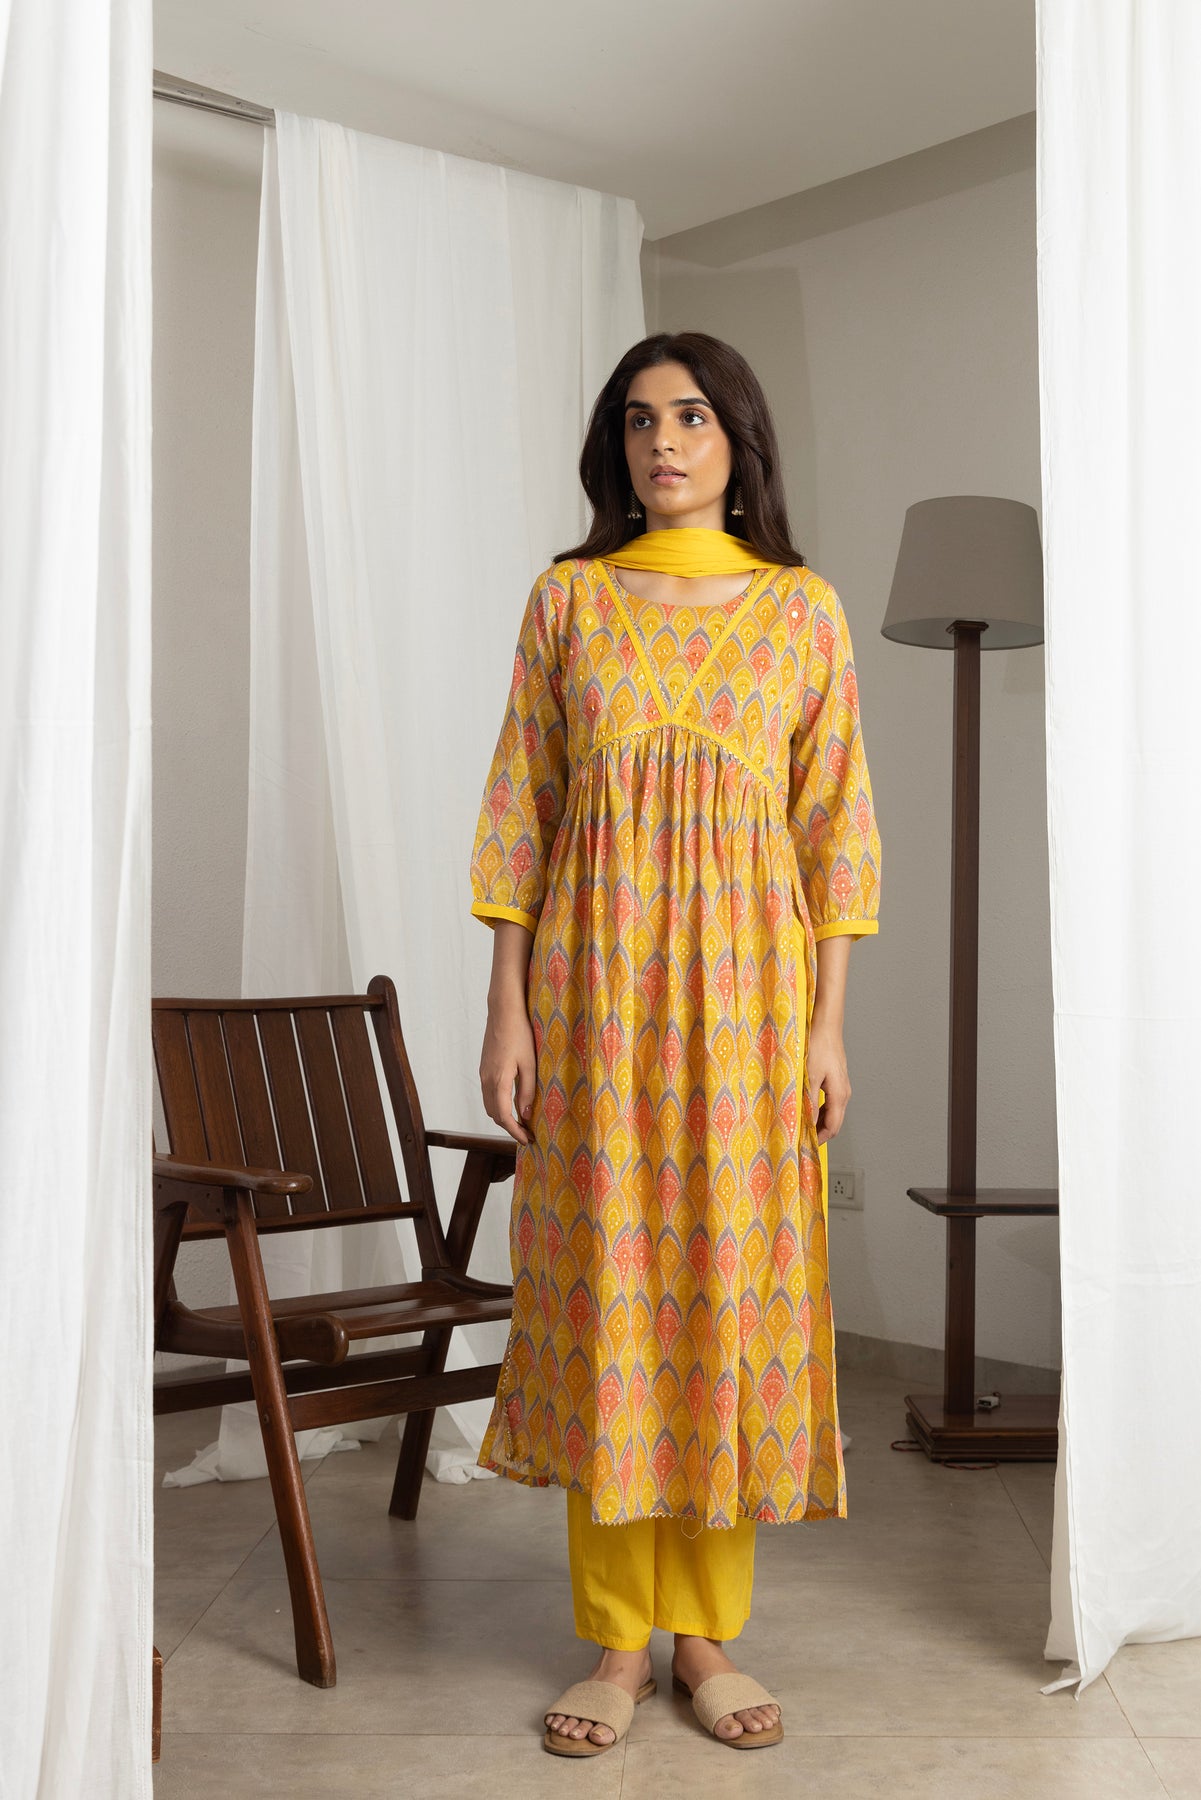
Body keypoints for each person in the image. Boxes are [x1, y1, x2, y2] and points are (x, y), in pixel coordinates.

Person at [468, 330, 881, 1756]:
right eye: (640, 420)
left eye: (692, 416)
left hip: (750, 1007)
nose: (664, 442)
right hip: (590, 1002)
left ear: (737, 439)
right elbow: (520, 809)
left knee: (724, 1300)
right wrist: (506, 1005)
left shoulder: (800, 610)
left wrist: (827, 1027)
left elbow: (836, 830)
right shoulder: (568, 601)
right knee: (610, 1297)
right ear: (616, 446)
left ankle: (704, 1632)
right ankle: (614, 1637)